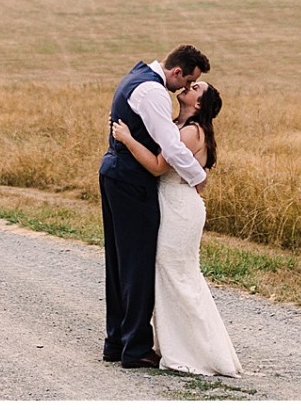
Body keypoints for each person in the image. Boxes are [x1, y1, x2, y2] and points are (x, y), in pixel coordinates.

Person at [111, 78, 242, 377]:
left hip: (180, 208)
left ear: (198, 104)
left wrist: (127, 138)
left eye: (196, 88)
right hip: (171, 205)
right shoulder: (178, 127)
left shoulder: (192, 132)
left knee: (177, 274)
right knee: (171, 273)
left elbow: (158, 166)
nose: (189, 86)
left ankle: (197, 352)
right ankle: (176, 345)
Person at [100, 44, 209, 369]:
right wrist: (197, 176)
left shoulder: (136, 75)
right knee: (137, 264)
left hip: (116, 175)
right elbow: (172, 151)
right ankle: (134, 348)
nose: (186, 88)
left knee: (120, 262)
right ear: (177, 72)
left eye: (193, 87)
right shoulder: (154, 92)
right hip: (131, 182)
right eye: (188, 81)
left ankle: (116, 342)